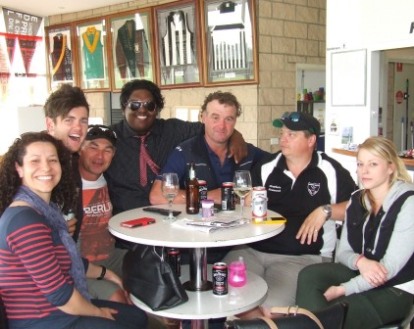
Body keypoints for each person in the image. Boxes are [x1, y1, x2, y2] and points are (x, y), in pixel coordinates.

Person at [0, 132, 147, 329]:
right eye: (35, 161)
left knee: (136, 317)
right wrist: (99, 313)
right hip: (45, 319)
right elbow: (60, 295)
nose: (46, 167)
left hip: (59, 311)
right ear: (19, 168)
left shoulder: (46, 211)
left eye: (52, 160)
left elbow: (66, 260)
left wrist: (108, 274)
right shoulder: (25, 220)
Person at [223, 111, 357, 317]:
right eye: (282, 133)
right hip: (251, 252)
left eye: (291, 135)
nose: (282, 139)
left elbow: (360, 206)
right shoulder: (267, 167)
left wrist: (326, 210)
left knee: (271, 311)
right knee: (229, 299)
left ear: (311, 140)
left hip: (301, 258)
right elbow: (244, 205)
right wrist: (244, 203)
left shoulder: (330, 170)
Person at [296, 136, 414, 329]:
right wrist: (361, 261)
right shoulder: (357, 200)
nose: (364, 171)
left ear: (391, 167)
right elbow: (343, 253)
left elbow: (388, 269)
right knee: (310, 275)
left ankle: (314, 322)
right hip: (361, 271)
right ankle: (313, 322)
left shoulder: (408, 203)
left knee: (336, 310)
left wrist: (343, 289)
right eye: (360, 164)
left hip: (396, 288)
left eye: (373, 164)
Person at [104, 79, 248, 215]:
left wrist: (236, 136)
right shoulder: (109, 138)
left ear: (157, 109)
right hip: (125, 222)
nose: (142, 111)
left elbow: (210, 128)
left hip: (169, 220)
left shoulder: (172, 130)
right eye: (135, 105)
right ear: (123, 107)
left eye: (150, 105)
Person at [149, 91, 269, 206]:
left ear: (235, 121)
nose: (221, 126)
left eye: (228, 119)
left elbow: (278, 161)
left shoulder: (247, 151)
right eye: (215, 117)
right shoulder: (185, 152)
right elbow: (156, 196)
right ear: (203, 117)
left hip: (242, 224)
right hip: (196, 224)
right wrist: (207, 196)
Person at [78, 124, 129, 303]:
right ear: (80, 149)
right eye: (93, 147)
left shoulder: (108, 180)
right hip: (81, 266)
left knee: (153, 267)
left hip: (110, 256)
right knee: (117, 296)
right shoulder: (66, 186)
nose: (100, 156)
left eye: (107, 150)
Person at [44, 83, 89, 240]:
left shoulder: (72, 159)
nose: (78, 128)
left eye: (83, 121)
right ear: (50, 125)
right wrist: (50, 228)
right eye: (69, 120)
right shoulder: (35, 162)